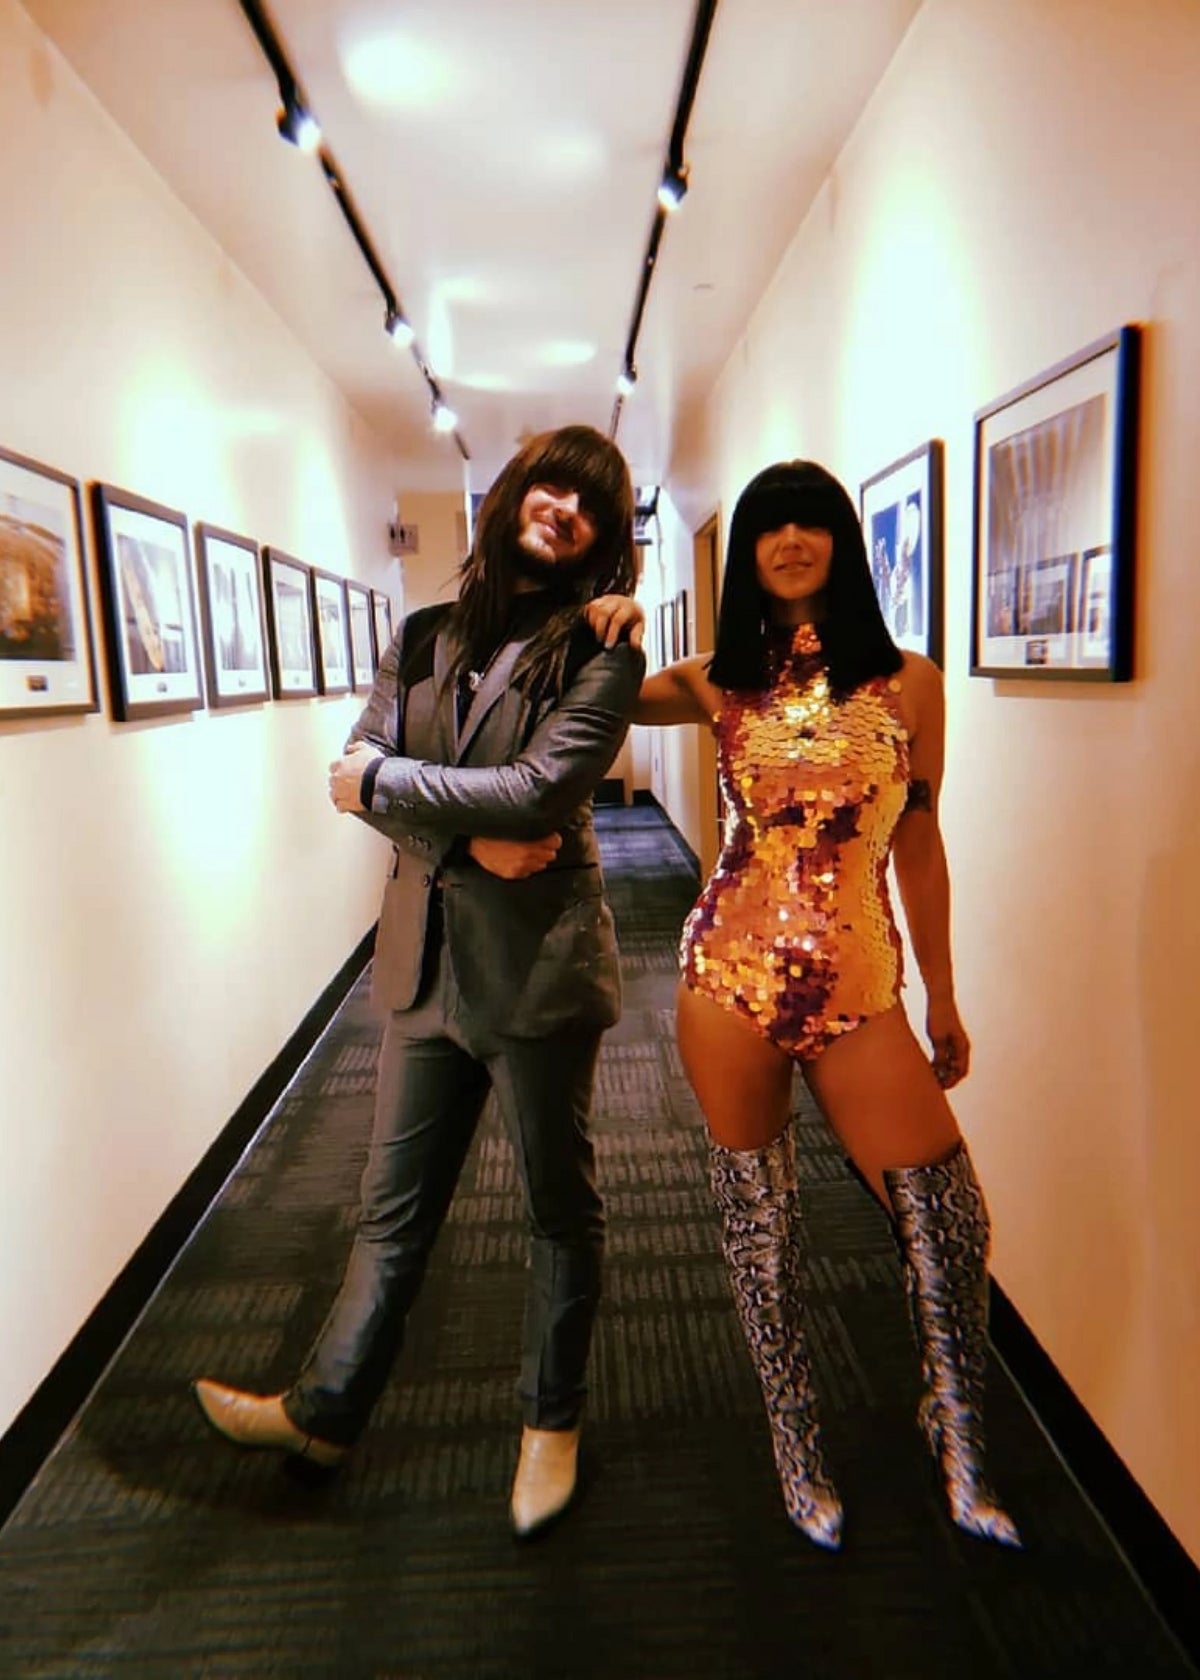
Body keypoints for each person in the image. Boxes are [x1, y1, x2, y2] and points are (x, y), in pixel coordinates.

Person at [194, 424, 645, 1539]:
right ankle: (323, 1412)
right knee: (390, 1214)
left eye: (590, 503)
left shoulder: (604, 651)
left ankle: (551, 1425)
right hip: (423, 962)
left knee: (556, 1210)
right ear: (510, 498)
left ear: (601, 539)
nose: (564, 508)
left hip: (537, 972)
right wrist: (457, 836)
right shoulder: (423, 632)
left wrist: (394, 779)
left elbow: (537, 791)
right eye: (551, 485)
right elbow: (351, 779)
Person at [589, 459, 1020, 1552]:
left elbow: (918, 842)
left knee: (948, 1217)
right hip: (728, 972)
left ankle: (958, 1426)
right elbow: (590, 700)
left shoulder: (910, 681)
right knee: (763, 1230)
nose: (790, 539)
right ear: (748, 553)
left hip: (862, 983)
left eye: (811, 522)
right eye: (771, 526)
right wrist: (615, 616)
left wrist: (945, 992)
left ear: (841, 540)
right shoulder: (716, 679)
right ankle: (797, 1445)